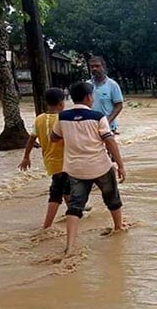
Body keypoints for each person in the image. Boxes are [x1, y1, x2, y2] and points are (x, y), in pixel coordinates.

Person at [51, 82, 126, 254]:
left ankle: (70, 246)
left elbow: (53, 138)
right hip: (100, 166)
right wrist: (120, 165)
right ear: (88, 97)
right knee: (112, 199)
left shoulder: (62, 117)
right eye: (92, 96)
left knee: (75, 206)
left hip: (75, 169)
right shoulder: (98, 116)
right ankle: (118, 227)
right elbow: (110, 141)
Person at [18, 88, 68, 229]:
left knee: (65, 187)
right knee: (56, 193)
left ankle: (76, 211)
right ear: (61, 103)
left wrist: (26, 157)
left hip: (50, 161)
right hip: (64, 161)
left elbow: (31, 139)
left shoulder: (39, 119)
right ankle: (46, 226)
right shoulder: (63, 118)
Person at [88, 56, 124, 133]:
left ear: (103, 67)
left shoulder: (112, 85)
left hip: (108, 127)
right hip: (90, 127)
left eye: (97, 66)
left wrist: (107, 122)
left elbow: (119, 105)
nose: (94, 69)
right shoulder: (86, 85)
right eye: (92, 66)